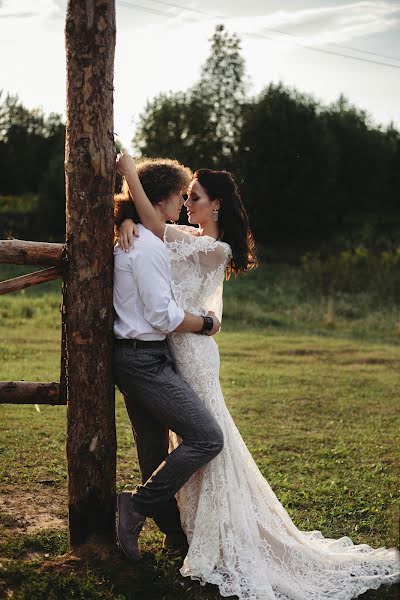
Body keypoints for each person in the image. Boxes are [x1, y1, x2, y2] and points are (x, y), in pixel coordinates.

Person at [116, 152, 400, 600]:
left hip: (191, 354)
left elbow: (155, 225)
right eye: (186, 196)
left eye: (196, 197)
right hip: (169, 353)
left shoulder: (214, 249)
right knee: (197, 441)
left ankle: (213, 535)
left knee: (210, 441)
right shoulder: (187, 235)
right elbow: (152, 226)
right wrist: (125, 222)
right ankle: (189, 530)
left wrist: (130, 174)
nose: (188, 202)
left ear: (217, 206)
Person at [113, 157, 225, 563]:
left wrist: (127, 219)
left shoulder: (148, 239)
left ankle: (174, 534)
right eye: (180, 195)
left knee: (152, 454)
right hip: (145, 360)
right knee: (208, 438)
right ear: (161, 198)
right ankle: (137, 507)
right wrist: (207, 323)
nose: (183, 203)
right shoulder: (145, 248)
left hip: (140, 357)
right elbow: (164, 316)